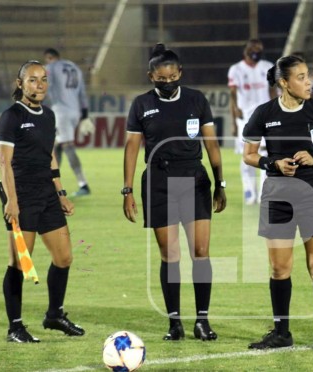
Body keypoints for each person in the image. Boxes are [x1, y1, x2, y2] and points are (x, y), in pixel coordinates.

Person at [123, 44, 227, 341]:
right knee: (170, 255)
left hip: (194, 179)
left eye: (172, 77)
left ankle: (202, 321)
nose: (167, 82)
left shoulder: (196, 99)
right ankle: (175, 323)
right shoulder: (141, 104)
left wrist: (220, 184)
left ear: (180, 73)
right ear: (150, 76)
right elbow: (131, 148)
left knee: (201, 252)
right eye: (160, 78)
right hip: (159, 181)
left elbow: (212, 145)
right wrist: (127, 190)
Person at [243, 55, 313, 354]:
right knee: (279, 268)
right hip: (277, 194)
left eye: (308, 75)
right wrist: (271, 163)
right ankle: (281, 332)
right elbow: (249, 154)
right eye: (300, 77)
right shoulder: (264, 113)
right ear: (284, 83)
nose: (308, 81)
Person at [0, 60, 86, 343]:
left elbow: (50, 155)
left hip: (47, 195)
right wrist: (11, 201)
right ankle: (15, 327)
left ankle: (54, 315)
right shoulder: (11, 116)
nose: (40, 85)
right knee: (20, 264)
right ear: (20, 83)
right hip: (22, 196)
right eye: (33, 80)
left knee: (64, 257)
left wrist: (60, 193)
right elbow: (4, 163)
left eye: (44, 80)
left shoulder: (48, 115)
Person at [228, 39, 275, 205]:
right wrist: (234, 121)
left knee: (265, 153)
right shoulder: (236, 70)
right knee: (246, 156)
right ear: (246, 50)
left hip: (265, 117)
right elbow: (233, 96)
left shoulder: (268, 66)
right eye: (254, 49)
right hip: (245, 119)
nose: (257, 52)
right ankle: (249, 191)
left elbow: (273, 92)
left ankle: (264, 191)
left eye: (260, 49)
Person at [43, 48, 93, 197]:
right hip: (75, 111)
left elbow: (46, 87)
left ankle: (83, 184)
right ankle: (51, 184)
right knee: (56, 146)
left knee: (67, 146)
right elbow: (82, 92)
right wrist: (85, 114)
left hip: (61, 111)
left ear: (49, 57)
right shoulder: (74, 67)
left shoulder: (50, 67)